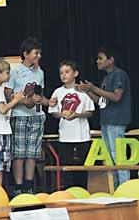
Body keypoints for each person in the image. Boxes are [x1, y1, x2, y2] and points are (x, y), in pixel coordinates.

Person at [78, 47, 132, 187]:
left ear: (111, 60)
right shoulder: (106, 78)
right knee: (108, 157)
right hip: (106, 121)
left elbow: (116, 96)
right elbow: (102, 102)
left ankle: (124, 187)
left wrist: (94, 88)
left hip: (116, 121)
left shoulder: (118, 74)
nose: (97, 61)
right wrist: (87, 91)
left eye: (100, 58)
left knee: (117, 155)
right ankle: (114, 187)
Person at [5, 37, 51, 195]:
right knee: (19, 153)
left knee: (32, 152)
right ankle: (18, 186)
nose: (38, 56)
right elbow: (8, 94)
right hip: (19, 115)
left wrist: (47, 102)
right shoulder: (14, 70)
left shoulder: (40, 72)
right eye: (35, 53)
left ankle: (29, 185)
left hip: (36, 116)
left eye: (39, 53)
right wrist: (25, 100)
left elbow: (40, 94)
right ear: (25, 54)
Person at [49, 60, 94, 189]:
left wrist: (77, 115)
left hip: (81, 136)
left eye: (67, 72)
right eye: (61, 73)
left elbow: (90, 112)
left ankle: (82, 192)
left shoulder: (82, 91)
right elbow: (53, 112)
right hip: (65, 136)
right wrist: (62, 114)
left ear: (75, 73)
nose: (64, 75)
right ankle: (68, 193)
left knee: (81, 168)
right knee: (66, 168)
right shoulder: (57, 92)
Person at [0, 60, 23, 186]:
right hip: (0, 128)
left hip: (0, 128)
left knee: (0, 161)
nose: (9, 75)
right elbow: (2, 109)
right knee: (0, 163)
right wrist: (16, 100)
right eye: (7, 72)